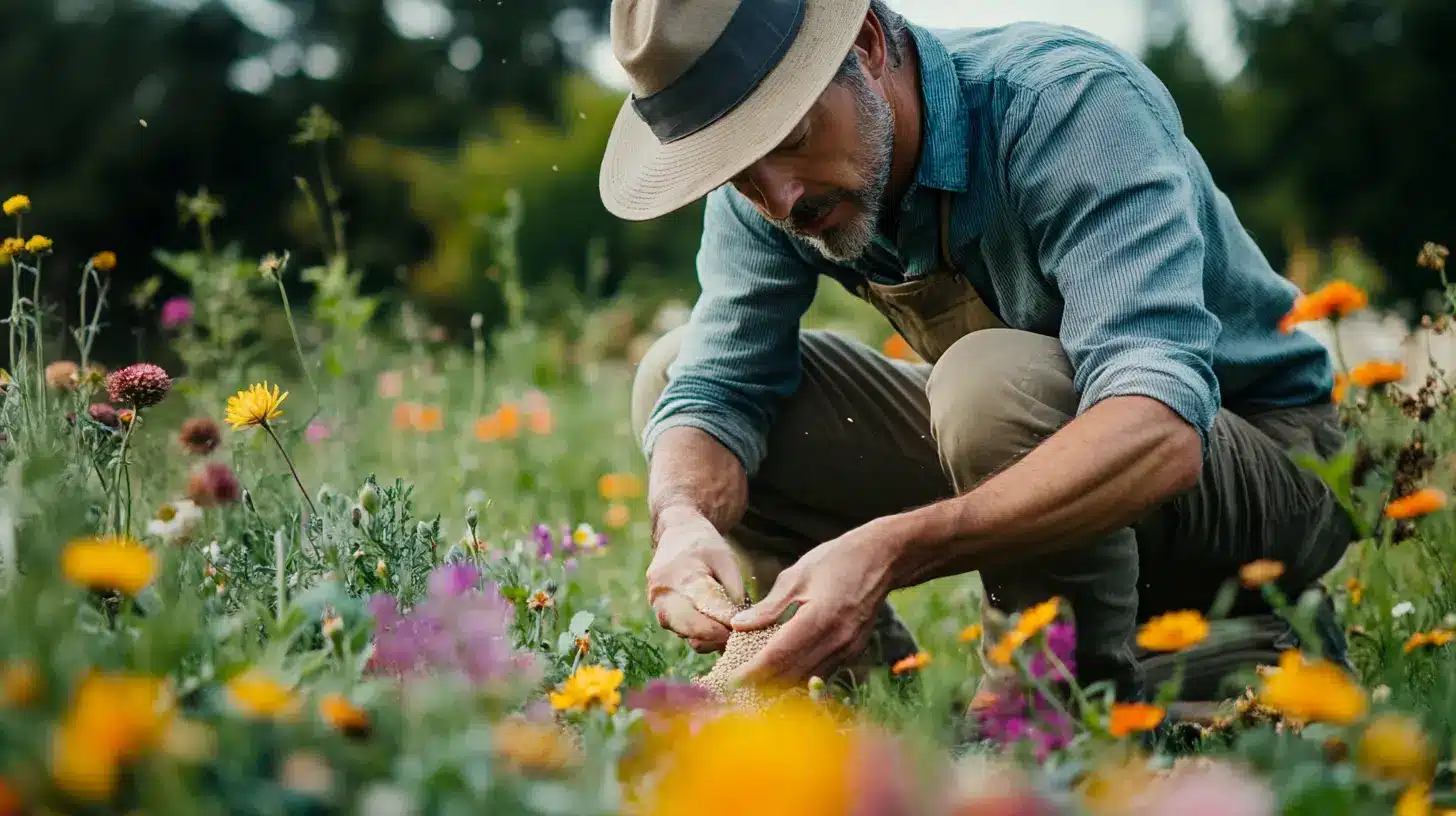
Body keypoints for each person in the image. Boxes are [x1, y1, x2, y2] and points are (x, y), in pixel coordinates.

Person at [599, 0, 1354, 701]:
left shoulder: (1067, 105)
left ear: (865, 45)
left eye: (790, 135)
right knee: (674, 374)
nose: (782, 199)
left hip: (1269, 459)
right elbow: (719, 390)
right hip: (1032, 431)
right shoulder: (772, 191)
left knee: (988, 386)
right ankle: (859, 710)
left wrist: (896, 548)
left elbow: (1159, 430)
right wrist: (682, 516)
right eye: (740, 172)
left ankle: (1049, 721)